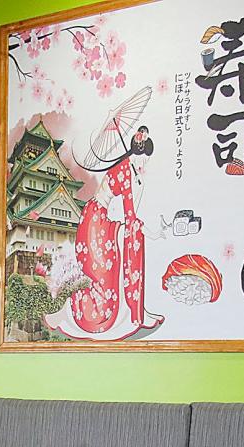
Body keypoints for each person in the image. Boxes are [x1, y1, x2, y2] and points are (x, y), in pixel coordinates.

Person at [47, 125, 164, 340]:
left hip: (98, 219)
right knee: (105, 276)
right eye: (145, 157)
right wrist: (149, 232)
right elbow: (130, 215)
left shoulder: (130, 171)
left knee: (110, 273)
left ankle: (132, 314)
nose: (145, 163)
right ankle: (72, 312)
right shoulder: (127, 171)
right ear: (139, 154)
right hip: (97, 222)